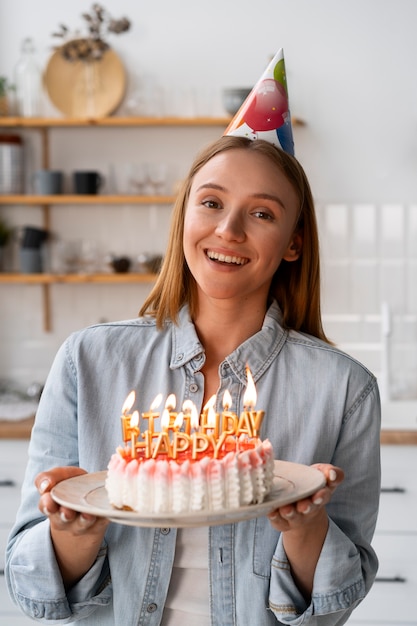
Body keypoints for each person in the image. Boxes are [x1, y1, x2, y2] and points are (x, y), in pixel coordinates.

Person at [6, 135, 381, 626]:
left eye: (262, 213)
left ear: (294, 242)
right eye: (211, 203)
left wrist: (306, 528)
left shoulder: (347, 391)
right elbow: (29, 586)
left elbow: (339, 602)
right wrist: (73, 530)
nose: (228, 230)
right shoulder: (88, 359)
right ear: (184, 215)